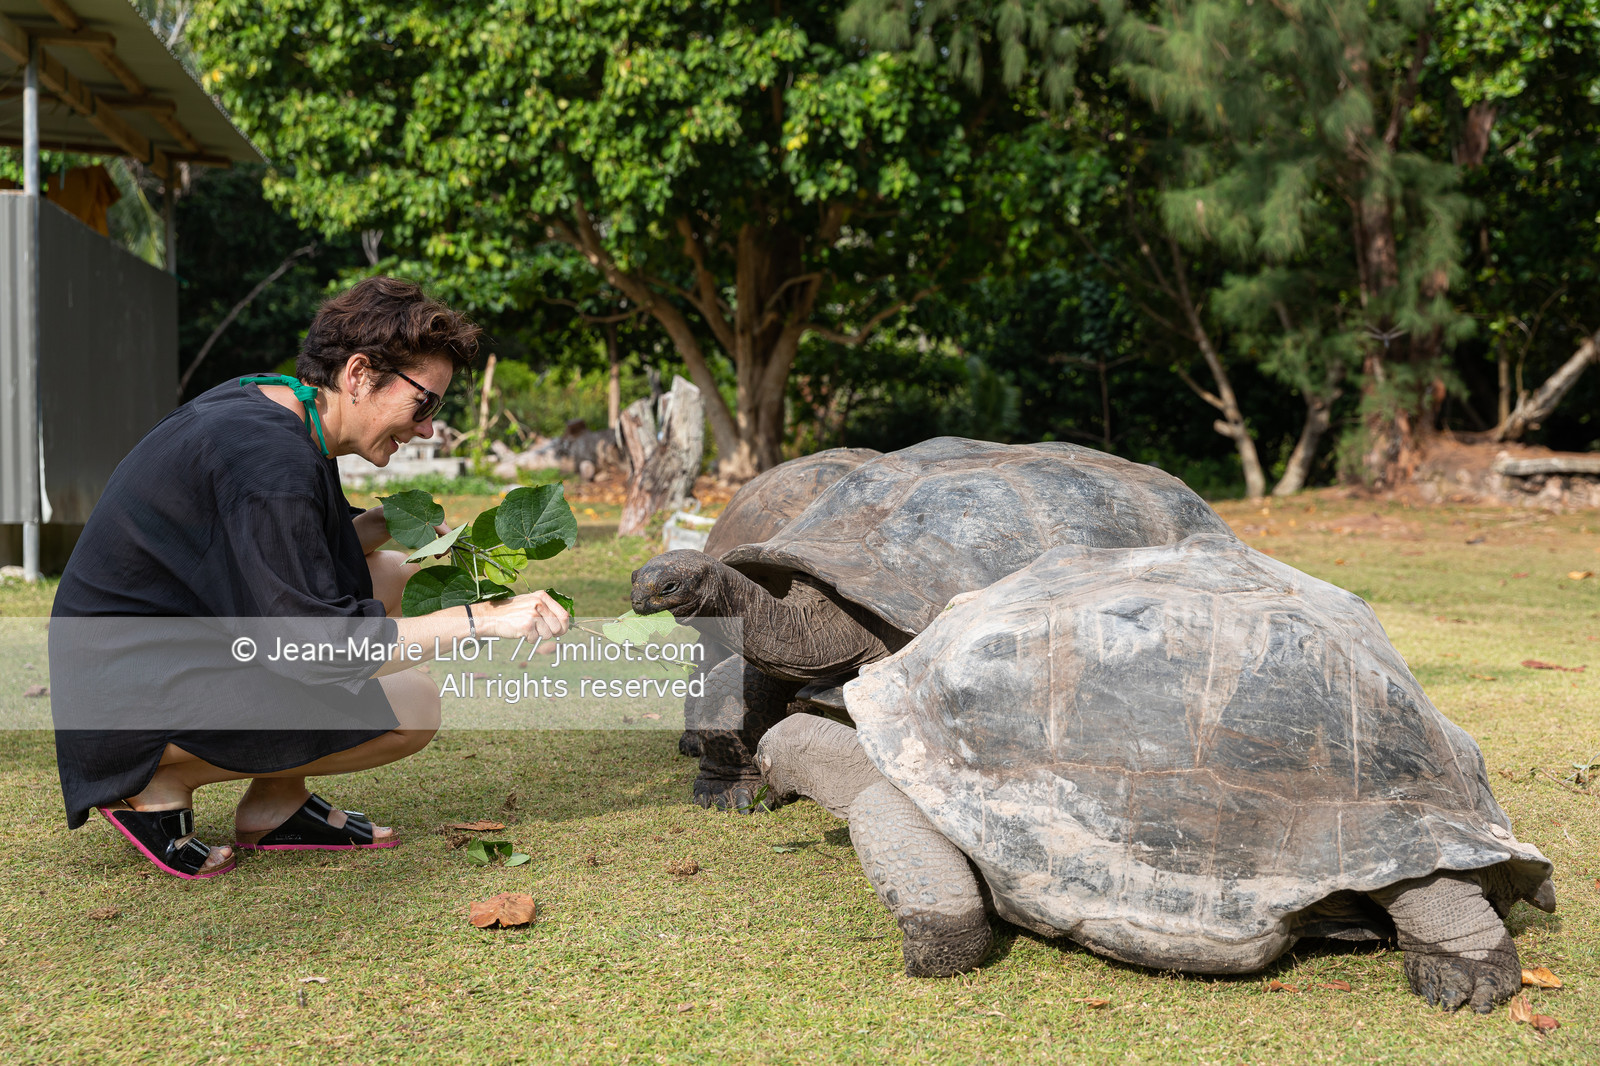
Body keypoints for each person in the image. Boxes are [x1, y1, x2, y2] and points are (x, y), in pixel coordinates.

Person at [49, 277, 569, 879]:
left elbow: (280, 555)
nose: (427, 427)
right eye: (422, 403)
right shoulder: (271, 462)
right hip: (120, 705)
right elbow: (319, 645)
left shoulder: (272, 405)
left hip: (148, 658)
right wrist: (482, 620)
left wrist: (382, 525)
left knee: (391, 570)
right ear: (358, 373)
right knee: (414, 704)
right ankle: (154, 781)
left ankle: (277, 803)